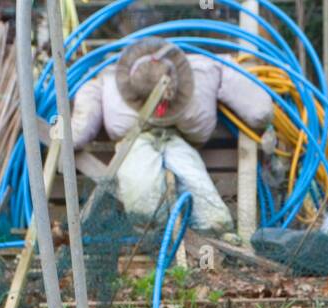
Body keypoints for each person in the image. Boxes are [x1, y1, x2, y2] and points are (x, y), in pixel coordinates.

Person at [70, 38, 274, 233]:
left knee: (210, 211)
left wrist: (263, 118)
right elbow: (81, 123)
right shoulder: (107, 76)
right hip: (135, 142)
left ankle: (213, 236)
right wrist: (65, 138)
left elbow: (258, 110)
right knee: (143, 204)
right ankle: (155, 237)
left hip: (180, 141)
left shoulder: (204, 70)